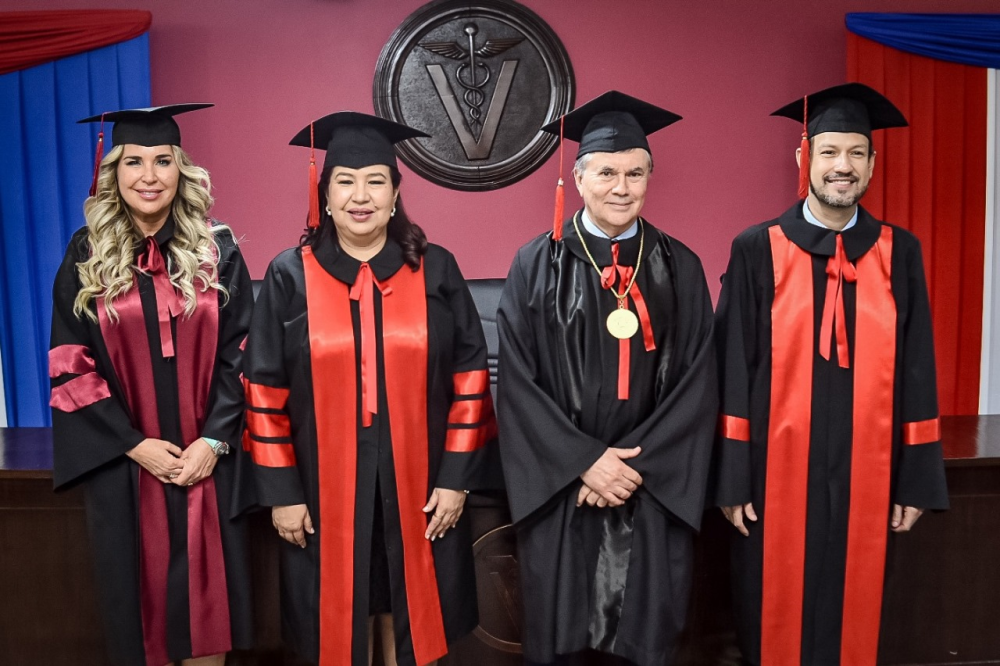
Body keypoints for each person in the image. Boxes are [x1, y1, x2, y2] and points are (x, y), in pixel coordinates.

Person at [243, 112, 498, 666]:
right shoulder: (290, 275)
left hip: (420, 486)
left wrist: (456, 481)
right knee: (338, 616)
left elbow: (471, 379)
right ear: (325, 196)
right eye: (345, 182)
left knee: (407, 610)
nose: (361, 196)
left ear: (396, 192)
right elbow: (263, 390)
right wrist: (283, 493)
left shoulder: (436, 270)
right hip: (320, 487)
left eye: (376, 181)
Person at [713, 83, 950, 666]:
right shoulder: (757, 249)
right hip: (773, 471)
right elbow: (731, 369)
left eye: (855, 154)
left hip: (869, 470)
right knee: (768, 613)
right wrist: (732, 477)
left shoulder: (900, 252)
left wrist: (916, 477)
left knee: (856, 610)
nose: (842, 167)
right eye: (828, 152)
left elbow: (918, 366)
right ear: (804, 158)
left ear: (872, 163)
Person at [496, 91, 718, 666]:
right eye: (607, 173)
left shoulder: (680, 265)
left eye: (636, 173)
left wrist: (633, 468)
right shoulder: (535, 264)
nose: (622, 187)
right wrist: (583, 461)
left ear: (650, 176)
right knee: (562, 633)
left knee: (646, 634)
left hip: (650, 489)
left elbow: (698, 381)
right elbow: (517, 383)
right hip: (565, 491)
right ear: (577, 175)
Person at [50, 104, 255, 666]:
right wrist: (133, 443)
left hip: (207, 464)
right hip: (126, 466)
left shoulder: (218, 251)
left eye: (162, 161)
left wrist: (213, 441)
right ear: (112, 173)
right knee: (140, 621)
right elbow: (71, 363)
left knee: (209, 620)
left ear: (181, 170)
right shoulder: (86, 256)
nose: (149, 175)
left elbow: (245, 353)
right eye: (133, 162)